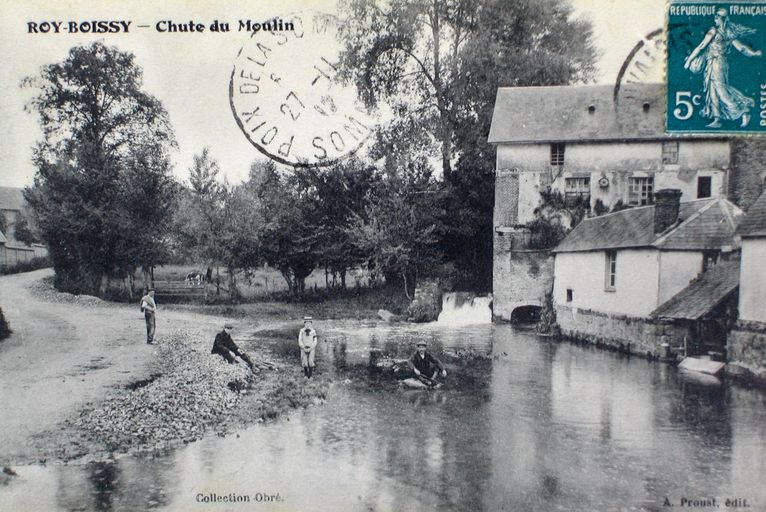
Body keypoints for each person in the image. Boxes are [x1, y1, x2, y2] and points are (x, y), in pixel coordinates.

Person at [684, 8, 762, 128]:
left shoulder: (713, 31)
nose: (715, 19)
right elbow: (741, 48)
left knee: (721, 90)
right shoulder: (729, 32)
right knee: (712, 90)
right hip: (717, 63)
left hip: (717, 63)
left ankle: (743, 111)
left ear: (722, 19)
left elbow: (701, 46)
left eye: (717, 17)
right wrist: (753, 53)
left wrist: (689, 60)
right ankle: (717, 119)